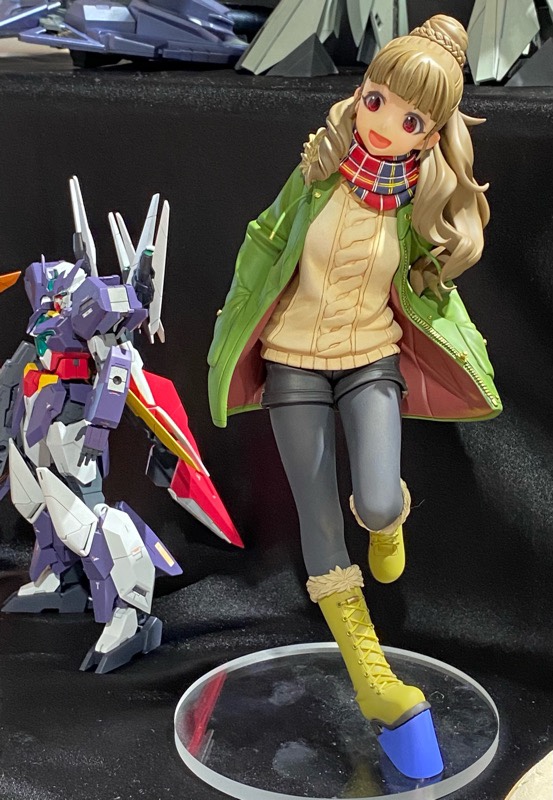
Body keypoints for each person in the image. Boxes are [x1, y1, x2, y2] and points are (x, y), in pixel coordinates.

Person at [208, 15, 501, 777]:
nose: (382, 123)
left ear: (430, 134)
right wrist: (240, 309)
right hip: (293, 364)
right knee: (319, 524)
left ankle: (384, 517)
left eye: (409, 120)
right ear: (361, 91)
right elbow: (264, 240)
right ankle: (377, 686)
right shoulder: (317, 171)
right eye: (375, 100)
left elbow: (428, 286)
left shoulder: (417, 204)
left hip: (369, 357)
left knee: (372, 502)